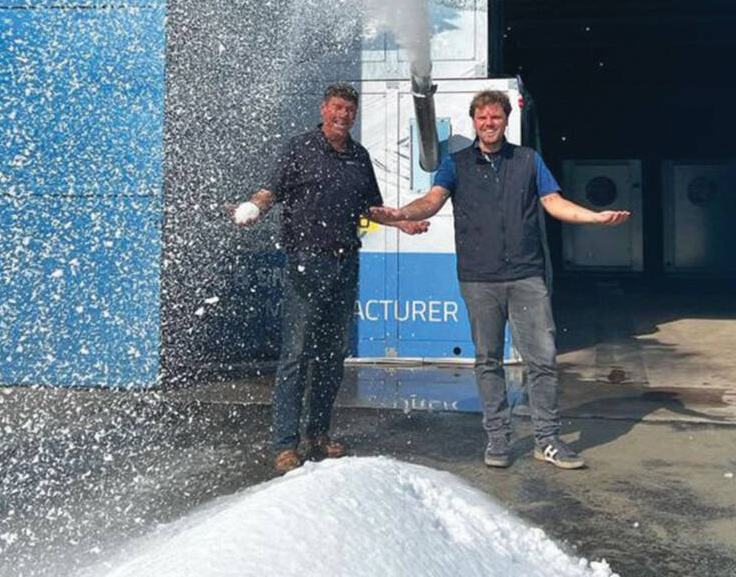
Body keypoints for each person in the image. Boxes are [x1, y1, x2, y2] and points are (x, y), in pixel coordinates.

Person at [370, 90, 629, 469]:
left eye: (495, 117)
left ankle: (547, 439)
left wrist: (594, 217)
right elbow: (432, 201)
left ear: (506, 121)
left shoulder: (528, 160)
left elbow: (554, 203)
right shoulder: (455, 164)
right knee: (487, 360)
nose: (489, 124)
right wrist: (400, 213)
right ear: (473, 122)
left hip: (526, 275)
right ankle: (497, 440)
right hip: (479, 278)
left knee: (542, 360)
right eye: (482, 118)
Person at [230, 82, 428, 473]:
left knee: (332, 355)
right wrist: (254, 206)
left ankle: (318, 434)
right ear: (324, 110)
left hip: (344, 264)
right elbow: (271, 190)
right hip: (305, 263)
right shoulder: (298, 148)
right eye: (337, 108)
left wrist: (402, 223)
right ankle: (285, 444)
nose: (343, 115)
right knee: (296, 355)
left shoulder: (359, 156)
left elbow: (369, 207)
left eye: (349, 110)